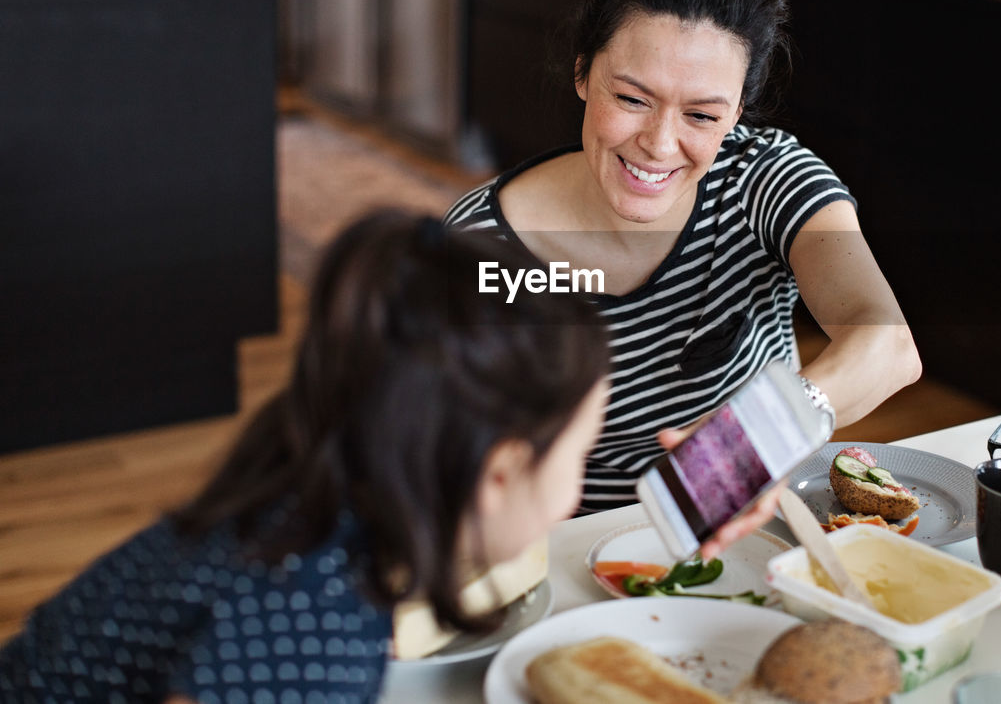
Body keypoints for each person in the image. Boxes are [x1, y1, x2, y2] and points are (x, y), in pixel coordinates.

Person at [445, 0, 921, 556]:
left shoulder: (763, 179)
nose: (659, 144)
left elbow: (888, 344)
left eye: (701, 114)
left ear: (737, 114)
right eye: (632, 98)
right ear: (584, 73)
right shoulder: (480, 248)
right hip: (565, 562)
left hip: (756, 545)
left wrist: (757, 435)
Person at [0, 211, 610, 702]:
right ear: (498, 474)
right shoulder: (309, 619)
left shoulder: (320, 505)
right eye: (580, 455)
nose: (575, 494)